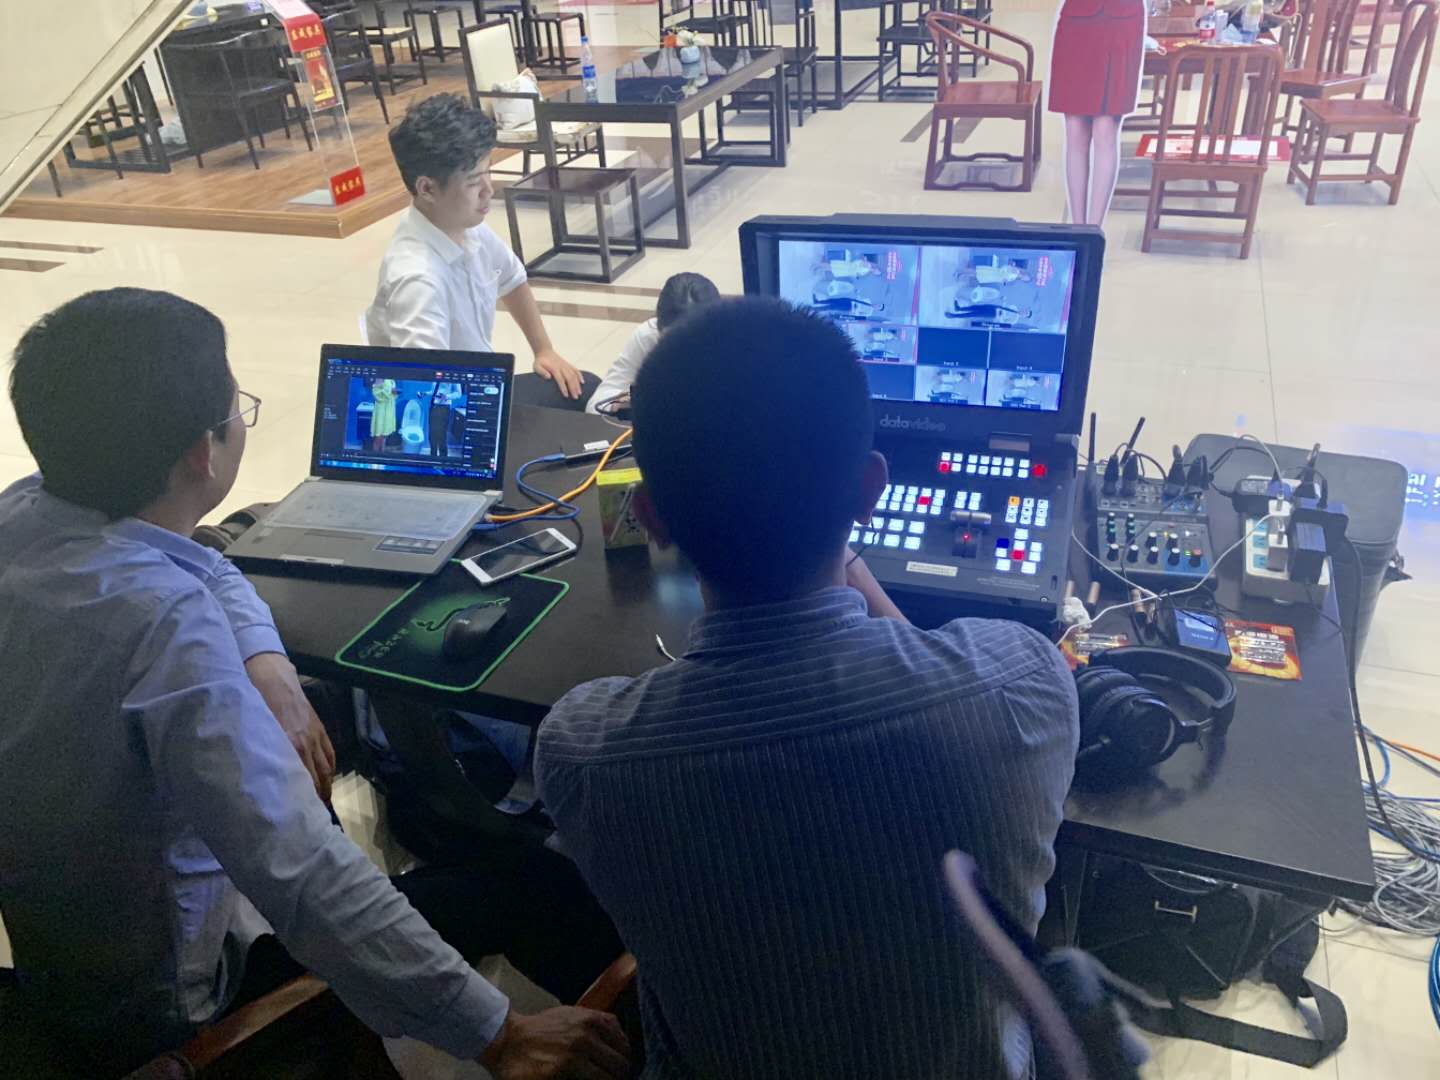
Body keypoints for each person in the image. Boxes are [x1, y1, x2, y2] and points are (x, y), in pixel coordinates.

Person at [0, 289, 629, 1079]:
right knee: (533, 884)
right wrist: (500, 1036)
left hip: (62, 955)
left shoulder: (25, 515)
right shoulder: (164, 628)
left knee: (329, 706)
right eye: (238, 408)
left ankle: (439, 817)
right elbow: (300, 873)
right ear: (203, 454)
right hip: (184, 998)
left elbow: (200, 563)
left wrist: (268, 665)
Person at [535, 298, 1079, 1078]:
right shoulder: (1022, 688)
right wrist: (843, 547)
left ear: (649, 517)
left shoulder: (582, 754)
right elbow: (927, 666)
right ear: (870, 490)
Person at [365, 93, 589, 405]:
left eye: (488, 172)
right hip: (454, 407)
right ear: (427, 188)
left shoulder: (460, 224)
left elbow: (512, 278)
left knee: (585, 389)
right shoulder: (417, 281)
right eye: (473, 182)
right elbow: (423, 389)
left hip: (478, 383)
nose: (489, 189)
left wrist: (544, 350)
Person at [1048, 0, 1146, 226]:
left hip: (1122, 21)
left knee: (1105, 129)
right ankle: (1078, 228)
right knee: (1075, 130)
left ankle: (1094, 230)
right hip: (1077, 23)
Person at [586, 273, 720, 415]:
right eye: (674, 343)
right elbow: (596, 403)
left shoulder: (734, 347)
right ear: (659, 328)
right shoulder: (648, 337)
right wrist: (620, 402)